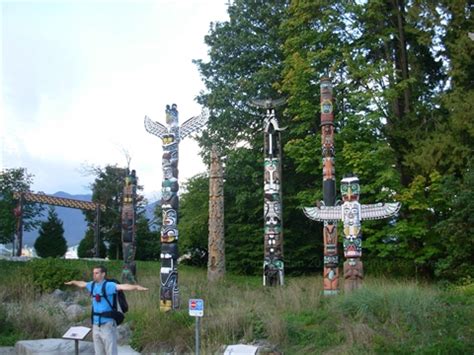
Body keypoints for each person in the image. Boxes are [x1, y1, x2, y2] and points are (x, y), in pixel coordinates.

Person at [65, 265, 148, 355]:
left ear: (103, 274)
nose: (94, 275)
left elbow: (123, 286)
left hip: (107, 324)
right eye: (93, 273)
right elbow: (82, 284)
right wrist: (73, 282)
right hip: (96, 324)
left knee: (110, 351)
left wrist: (136, 287)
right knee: (98, 352)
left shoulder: (108, 285)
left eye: (97, 273)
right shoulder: (92, 285)